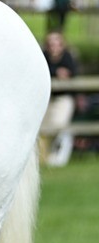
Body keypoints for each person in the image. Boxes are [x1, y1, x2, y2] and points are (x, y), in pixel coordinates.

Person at [41, 30, 79, 167]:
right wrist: (56, 72)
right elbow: (42, 70)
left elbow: (73, 73)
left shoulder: (68, 57)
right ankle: (45, 157)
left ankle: (58, 157)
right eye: (51, 43)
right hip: (47, 98)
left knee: (58, 125)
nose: (54, 46)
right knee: (44, 128)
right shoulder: (43, 56)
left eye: (57, 42)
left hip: (63, 98)